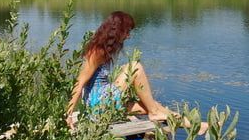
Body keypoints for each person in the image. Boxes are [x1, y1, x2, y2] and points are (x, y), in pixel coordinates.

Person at [66, 11, 207, 133]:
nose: (128, 36)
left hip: (104, 103)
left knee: (150, 105)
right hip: (97, 105)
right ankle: (155, 113)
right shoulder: (96, 52)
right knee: (135, 67)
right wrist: (68, 115)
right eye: (127, 31)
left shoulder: (106, 50)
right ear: (117, 31)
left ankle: (194, 125)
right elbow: (79, 84)